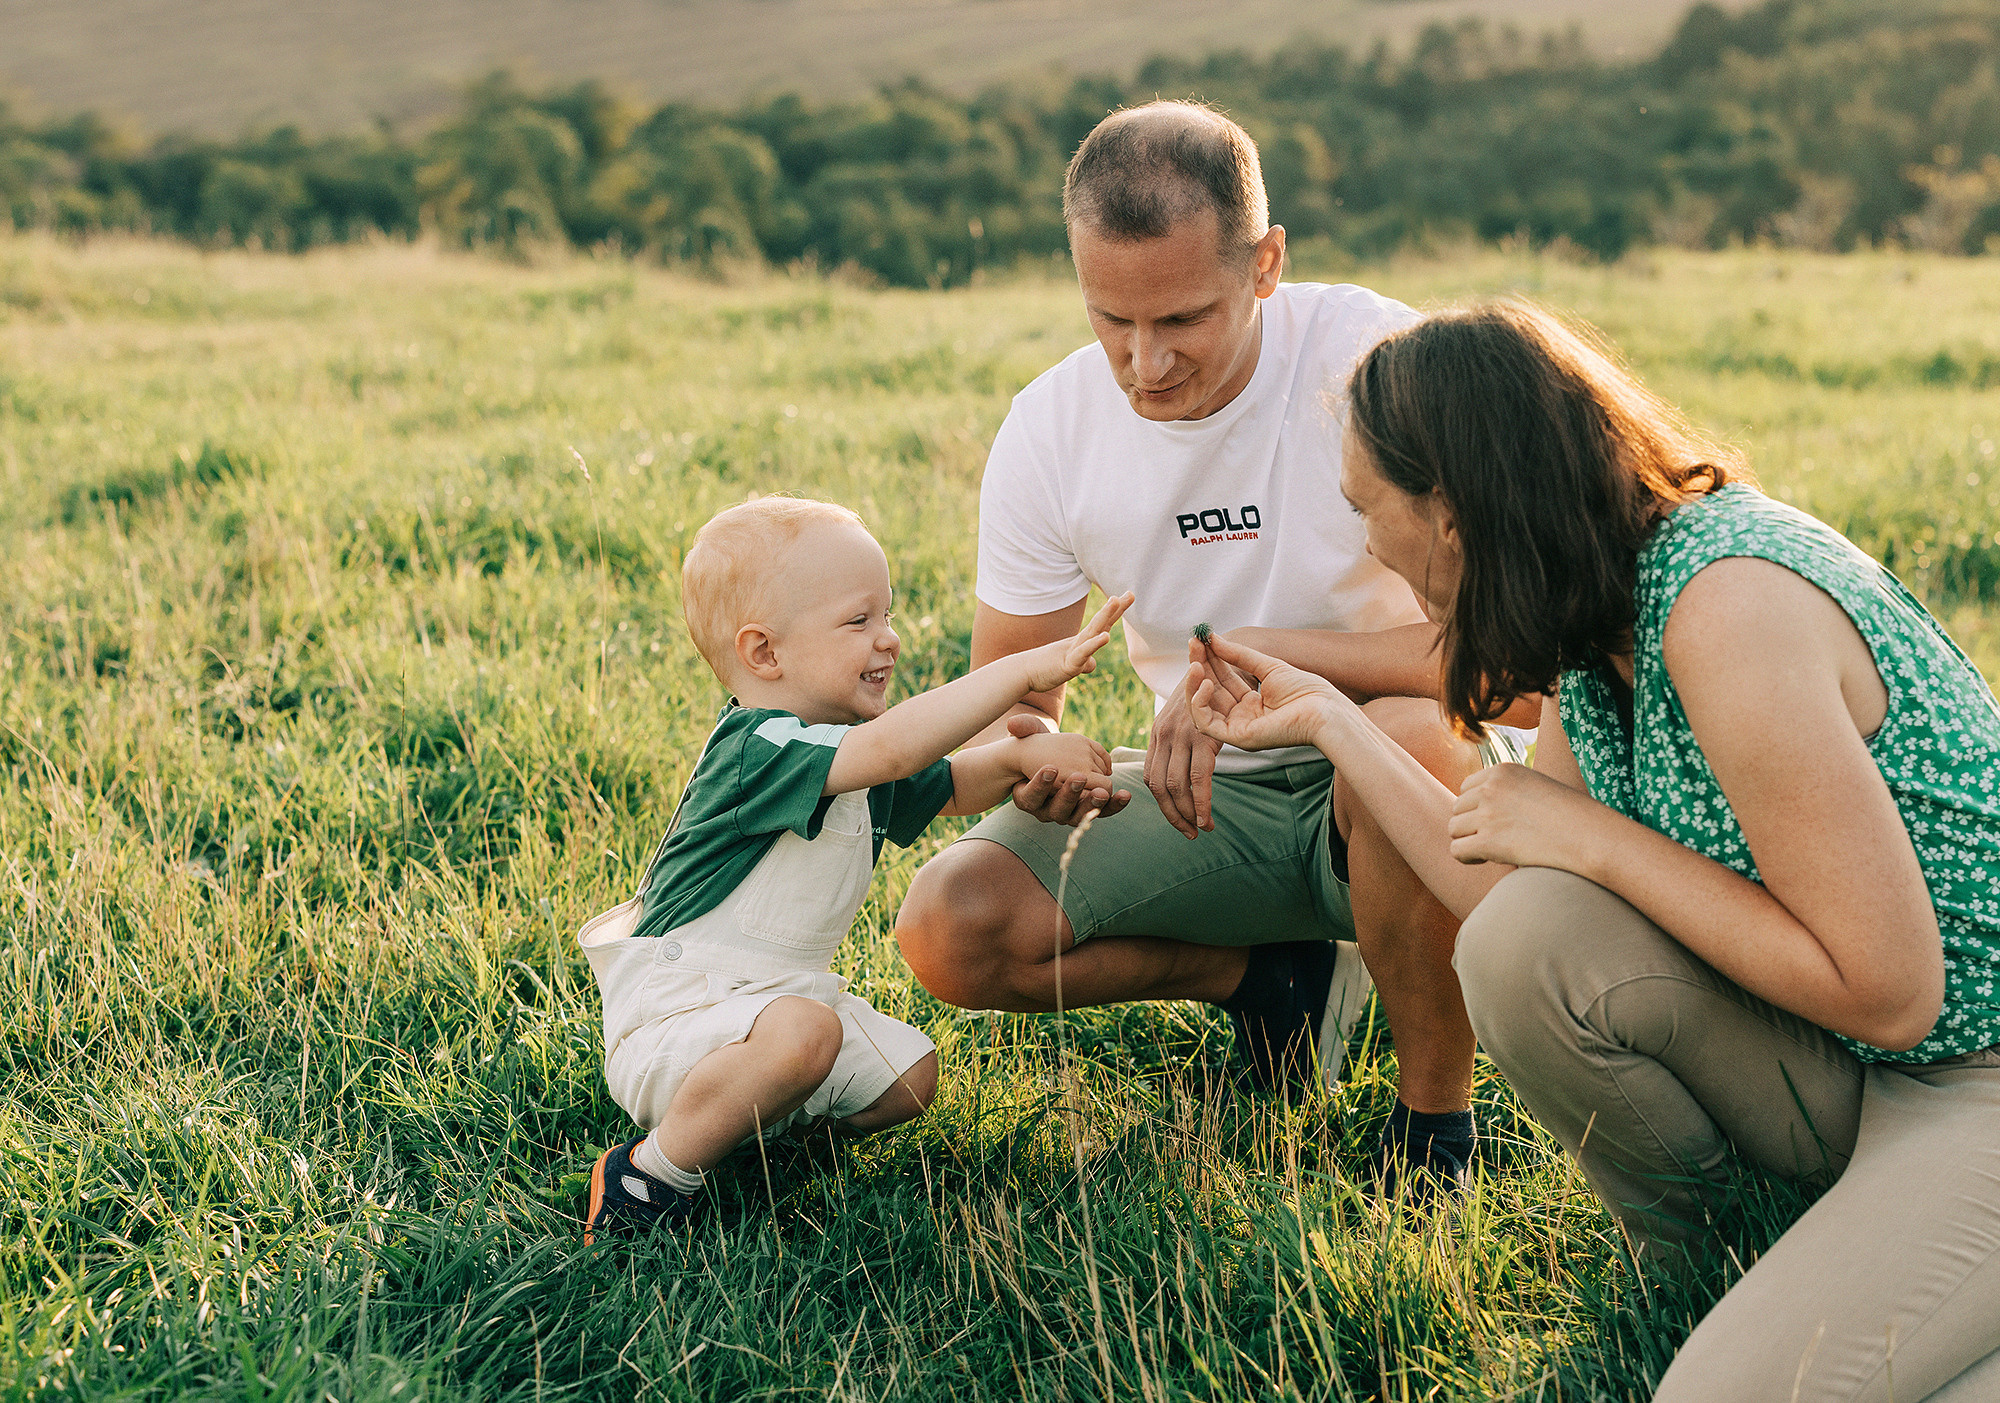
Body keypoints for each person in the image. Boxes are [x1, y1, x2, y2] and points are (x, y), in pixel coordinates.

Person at [1184, 302, 2000, 1401]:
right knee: (1525, 936)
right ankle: (1711, 1267)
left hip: (1968, 1076)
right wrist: (1331, 718)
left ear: (1456, 518)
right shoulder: (1597, 614)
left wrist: (1599, 842)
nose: (1362, 542)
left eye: (1363, 507)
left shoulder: (1725, 605)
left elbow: (1893, 990)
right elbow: (1497, 887)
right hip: (1859, 1068)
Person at [894, 99, 1530, 1190]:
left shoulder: (1389, 368)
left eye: (1181, 319)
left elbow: (1516, 678)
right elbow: (1010, 695)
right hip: (1205, 790)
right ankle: (1268, 980)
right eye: (1110, 321)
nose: (1142, 365)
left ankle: (1434, 1126)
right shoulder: (1048, 428)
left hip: (1408, 774)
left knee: (1414, 739)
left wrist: (1259, 662)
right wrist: (1031, 752)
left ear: (1266, 263)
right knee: (950, 927)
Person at [581, 495, 1130, 1239]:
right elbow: (898, 750)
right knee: (806, 1033)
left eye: (889, 615)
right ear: (765, 653)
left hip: (776, 1007)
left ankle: (767, 1145)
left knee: (911, 1074)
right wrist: (1021, 672)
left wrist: (1021, 756)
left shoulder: (844, 749)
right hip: (679, 1012)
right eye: (860, 621)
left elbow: (947, 783)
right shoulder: (759, 748)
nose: (891, 640)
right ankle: (650, 1175)